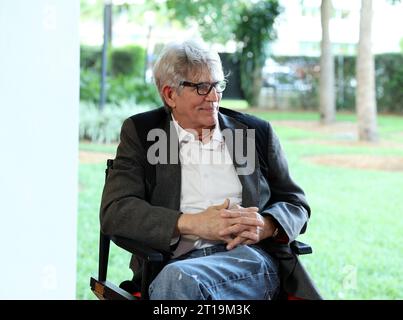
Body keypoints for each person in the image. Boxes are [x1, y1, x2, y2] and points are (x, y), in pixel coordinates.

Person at [100, 39, 321, 300]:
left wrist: (268, 225)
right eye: (202, 88)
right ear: (170, 94)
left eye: (218, 85)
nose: (214, 97)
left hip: (248, 262)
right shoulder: (144, 133)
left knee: (178, 284)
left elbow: (295, 203)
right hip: (173, 264)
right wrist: (192, 224)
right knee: (179, 281)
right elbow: (116, 210)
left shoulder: (253, 133)